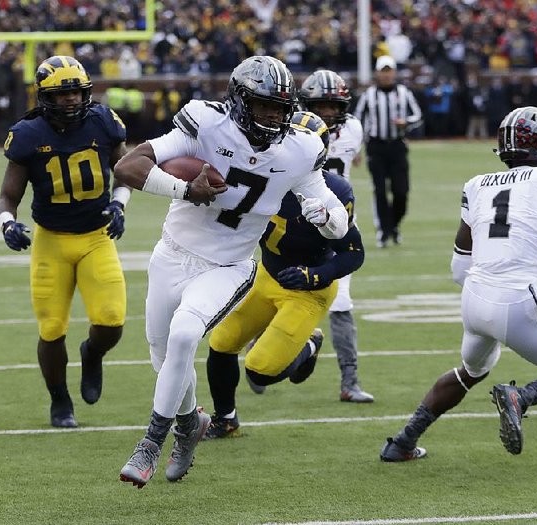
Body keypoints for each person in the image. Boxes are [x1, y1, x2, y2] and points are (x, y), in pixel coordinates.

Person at [113, 56, 349, 488]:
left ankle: (150, 443)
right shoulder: (205, 122)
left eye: (280, 109)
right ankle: (190, 423)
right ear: (240, 101)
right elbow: (127, 167)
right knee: (163, 358)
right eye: (263, 107)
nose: (272, 117)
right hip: (172, 252)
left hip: (230, 264)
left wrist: (326, 217)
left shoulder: (300, 148)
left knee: (187, 333)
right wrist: (187, 189)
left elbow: (338, 223)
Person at [379, 106, 537, 461]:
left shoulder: (476, 185)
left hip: (474, 299)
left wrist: (487, 296)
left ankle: (403, 442)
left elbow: (459, 266)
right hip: (519, 300)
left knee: (470, 372)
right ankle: (523, 397)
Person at [203, 111, 366, 439]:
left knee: (260, 372)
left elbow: (354, 253)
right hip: (267, 275)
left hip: (309, 289)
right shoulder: (262, 176)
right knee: (221, 343)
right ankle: (226, 419)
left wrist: (314, 277)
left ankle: (309, 343)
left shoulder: (333, 192)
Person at [0, 56, 130, 429]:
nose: (71, 100)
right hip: (51, 240)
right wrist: (8, 225)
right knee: (52, 328)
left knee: (112, 321)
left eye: (76, 92)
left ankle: (92, 353)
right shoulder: (29, 134)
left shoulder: (103, 121)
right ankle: (60, 400)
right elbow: (7, 197)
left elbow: (127, 171)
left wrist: (119, 205)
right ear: (44, 97)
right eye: (62, 93)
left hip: (96, 237)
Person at [299, 69, 374, 403]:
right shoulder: (294, 131)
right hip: (294, 223)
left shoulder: (353, 128)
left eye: (334, 106)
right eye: (321, 106)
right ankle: (264, 345)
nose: (328, 113)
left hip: (338, 222)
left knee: (342, 303)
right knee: (277, 291)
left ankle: (350, 381)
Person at [353, 55, 422, 248]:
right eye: (383, 71)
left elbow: (418, 115)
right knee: (380, 191)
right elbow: (356, 122)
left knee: (401, 191)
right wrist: (356, 149)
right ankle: (384, 231)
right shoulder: (368, 95)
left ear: (394, 72)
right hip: (376, 146)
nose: (386, 75)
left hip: (397, 146)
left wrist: (405, 122)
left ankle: (393, 225)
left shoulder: (403, 92)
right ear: (377, 73)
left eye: (389, 70)